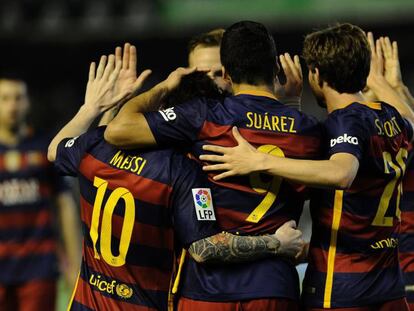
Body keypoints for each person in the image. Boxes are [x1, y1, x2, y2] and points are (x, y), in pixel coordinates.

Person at [48, 44, 304, 311]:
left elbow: (55, 151)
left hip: (85, 304)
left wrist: (92, 107)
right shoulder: (182, 173)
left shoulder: (97, 145)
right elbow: (204, 247)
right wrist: (276, 243)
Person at [104, 21, 321, 310]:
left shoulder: (203, 118)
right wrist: (292, 104)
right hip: (273, 288)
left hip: (206, 290)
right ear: (275, 69)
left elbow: (117, 131)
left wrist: (164, 86)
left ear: (228, 75)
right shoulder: (308, 130)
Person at [200, 24, 414, 310]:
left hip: (341, 290)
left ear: (315, 73)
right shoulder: (391, 119)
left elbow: (341, 173)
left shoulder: (343, 122)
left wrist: (259, 160)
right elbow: (408, 116)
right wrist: (383, 82)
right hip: (390, 289)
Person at [0, 76, 81, 311]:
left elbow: (65, 204)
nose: (12, 105)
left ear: (27, 103)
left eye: (18, 98)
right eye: (5, 99)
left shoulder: (46, 147)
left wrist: (74, 263)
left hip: (39, 266)